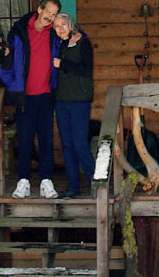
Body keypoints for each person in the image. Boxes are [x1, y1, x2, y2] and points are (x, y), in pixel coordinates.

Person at [0, 0, 62, 199]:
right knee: (25, 140)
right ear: (39, 9)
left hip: (46, 95)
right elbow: (7, 64)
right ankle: (23, 182)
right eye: (48, 13)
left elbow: (75, 36)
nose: (50, 18)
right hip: (25, 96)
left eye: (54, 15)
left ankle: (46, 181)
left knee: (46, 140)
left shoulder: (55, 33)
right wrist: (12, 85)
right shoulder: (19, 32)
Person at [53, 13, 95, 199]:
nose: (60, 28)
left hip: (79, 101)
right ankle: (73, 187)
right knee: (67, 145)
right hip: (61, 101)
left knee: (79, 144)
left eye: (63, 24)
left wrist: (63, 64)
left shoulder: (83, 43)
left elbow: (86, 69)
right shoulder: (61, 45)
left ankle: (97, 181)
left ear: (71, 25)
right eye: (56, 26)